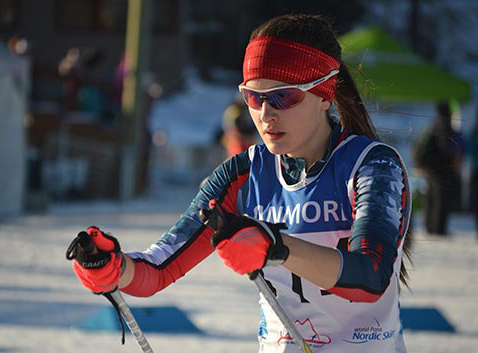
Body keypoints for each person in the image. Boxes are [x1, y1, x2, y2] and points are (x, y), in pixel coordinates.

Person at [67, 14, 412, 353]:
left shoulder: (372, 165)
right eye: (253, 97)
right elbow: (158, 268)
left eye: (283, 97)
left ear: (324, 94)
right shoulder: (244, 174)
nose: (265, 113)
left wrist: (276, 246)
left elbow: (370, 275)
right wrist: (113, 267)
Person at [414, 102, 462, 235]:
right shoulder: (445, 125)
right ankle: (439, 229)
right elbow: (445, 147)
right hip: (441, 167)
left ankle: (429, 227)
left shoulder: (433, 124)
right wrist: (453, 158)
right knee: (441, 198)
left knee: (431, 197)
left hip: (430, 167)